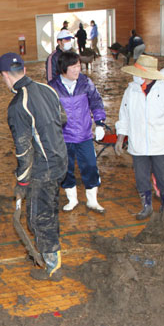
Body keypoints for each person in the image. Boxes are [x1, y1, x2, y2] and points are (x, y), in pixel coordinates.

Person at [0, 52, 68, 281]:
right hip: (61, 159)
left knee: (39, 218)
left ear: (6, 76)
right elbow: (63, 118)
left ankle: (52, 265)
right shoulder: (47, 89)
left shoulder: (18, 105)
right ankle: (49, 250)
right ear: (24, 70)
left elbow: (24, 149)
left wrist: (22, 181)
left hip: (43, 169)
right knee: (48, 210)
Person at [115, 55, 164, 219]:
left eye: (138, 73)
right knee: (141, 177)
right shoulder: (131, 91)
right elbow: (124, 116)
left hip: (160, 144)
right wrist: (120, 137)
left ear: (147, 75)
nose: (135, 76)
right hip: (138, 144)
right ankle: (146, 206)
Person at [49, 52, 106, 213]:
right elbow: (47, 112)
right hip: (63, 137)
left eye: (78, 66)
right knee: (66, 168)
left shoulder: (85, 83)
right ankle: (71, 199)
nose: (77, 70)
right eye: (73, 67)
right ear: (63, 68)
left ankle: (92, 200)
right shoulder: (53, 87)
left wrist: (100, 123)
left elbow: (96, 101)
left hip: (84, 135)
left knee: (90, 165)